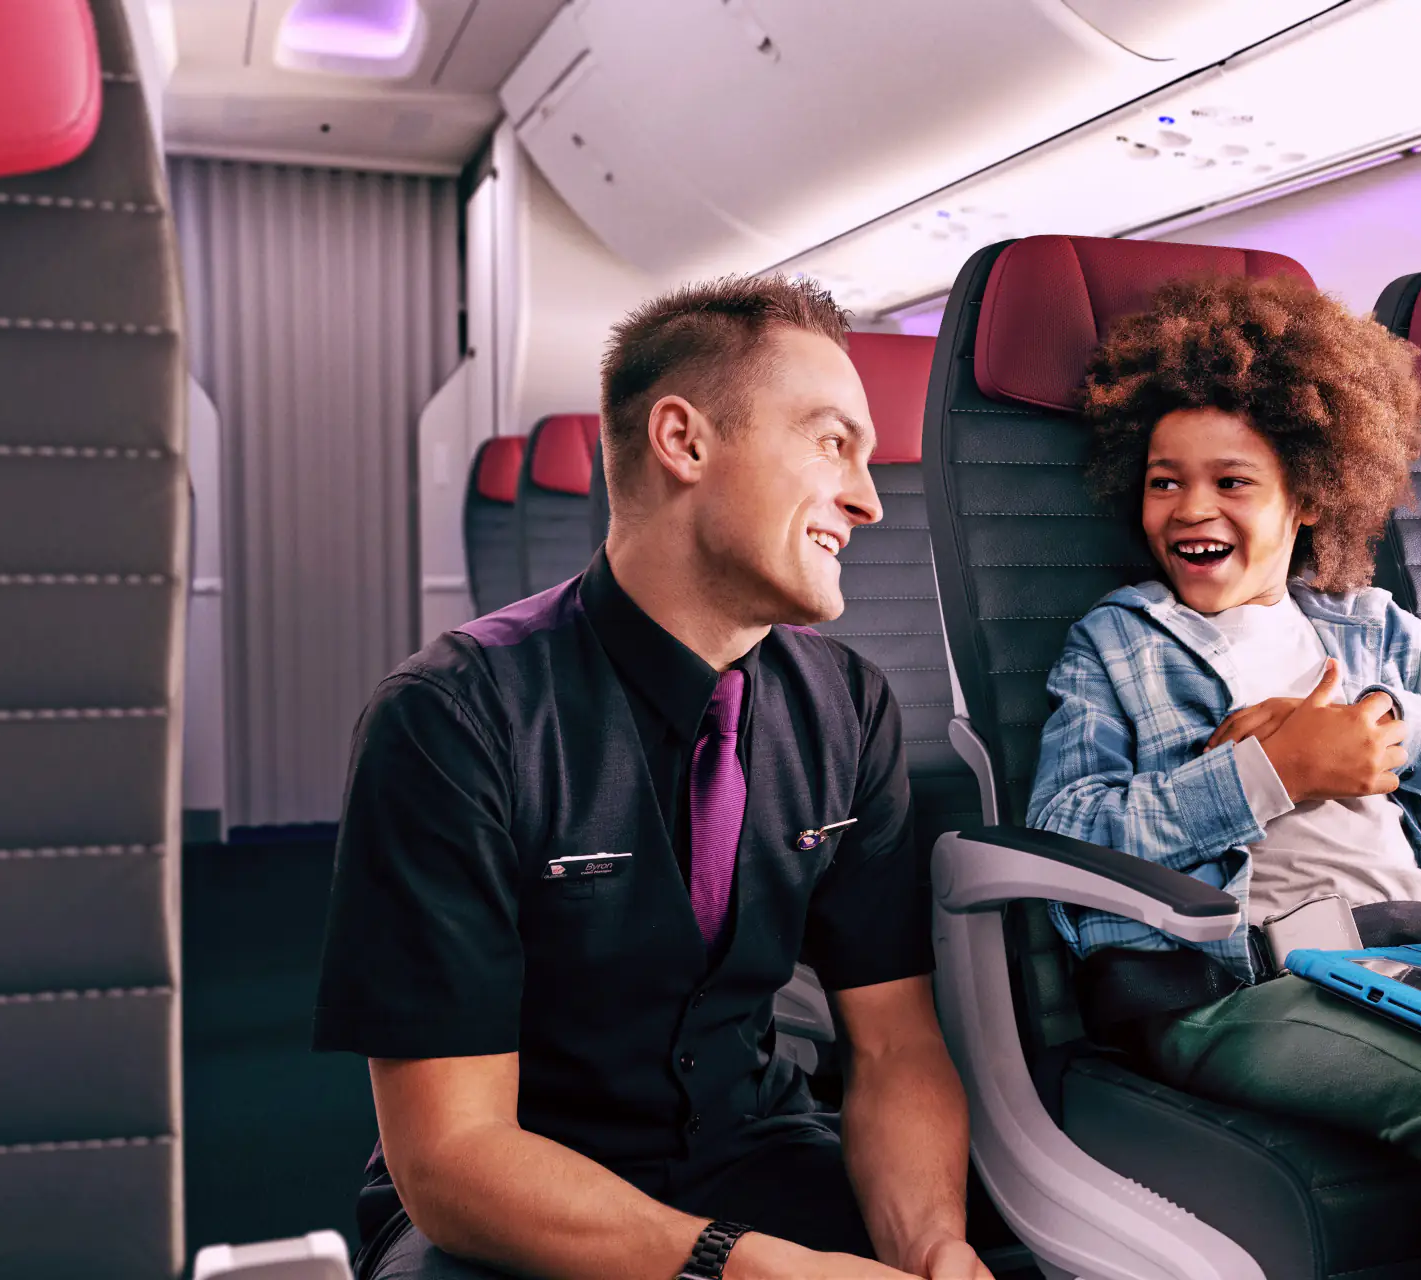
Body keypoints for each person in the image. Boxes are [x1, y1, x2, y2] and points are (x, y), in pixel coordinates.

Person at [314, 276, 992, 1280]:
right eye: (829, 442)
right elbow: (450, 1155)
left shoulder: (849, 707)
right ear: (682, 440)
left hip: (757, 1147)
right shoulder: (452, 717)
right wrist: (736, 1266)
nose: (868, 499)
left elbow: (892, 1043)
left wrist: (929, 1242)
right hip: (517, 1189)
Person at [1027, 273, 1421, 1280]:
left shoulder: (1372, 628)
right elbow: (1065, 832)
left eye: (1232, 482)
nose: (1190, 508)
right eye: (1164, 481)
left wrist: (1385, 731)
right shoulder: (1116, 643)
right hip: (1241, 984)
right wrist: (1265, 773)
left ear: (1307, 493)